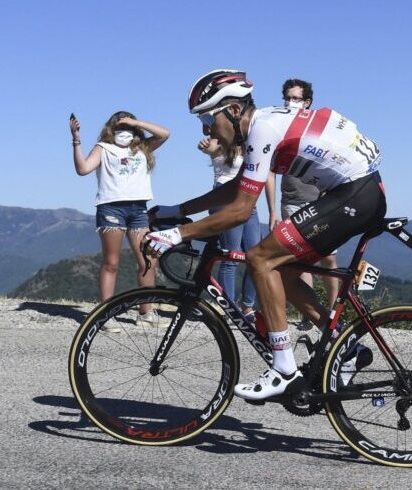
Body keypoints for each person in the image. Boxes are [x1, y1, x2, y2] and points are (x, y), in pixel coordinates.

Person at [146, 69, 385, 400]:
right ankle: (345, 347)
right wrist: (178, 210)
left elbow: (241, 210)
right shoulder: (266, 123)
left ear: (232, 111)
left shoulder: (264, 129)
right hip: (359, 192)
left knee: (260, 258)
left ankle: (284, 369)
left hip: (355, 194)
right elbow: (236, 189)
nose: (206, 130)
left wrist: (177, 234)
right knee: (281, 269)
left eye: (207, 120)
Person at [70, 111, 169, 328]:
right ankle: (105, 314)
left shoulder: (142, 148)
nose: (124, 131)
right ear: (110, 129)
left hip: (138, 209)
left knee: (147, 260)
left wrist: (136, 122)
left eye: (128, 127)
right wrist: (76, 140)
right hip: (111, 208)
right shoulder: (103, 148)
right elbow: (83, 169)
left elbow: (164, 134)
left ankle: (146, 313)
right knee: (111, 263)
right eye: (119, 127)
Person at [277, 79, 340, 329]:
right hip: (291, 200)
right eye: (287, 97)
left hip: (320, 200)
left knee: (329, 260)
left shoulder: (319, 129)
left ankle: (335, 312)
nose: (290, 102)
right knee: (301, 261)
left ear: (307, 102)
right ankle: (309, 314)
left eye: (295, 98)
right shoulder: (280, 127)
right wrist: (272, 208)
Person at [197, 136, 276, 321]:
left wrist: (273, 211)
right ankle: (229, 308)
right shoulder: (222, 142)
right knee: (230, 256)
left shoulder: (254, 146)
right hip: (225, 200)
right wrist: (203, 145)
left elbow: (269, 176)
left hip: (249, 202)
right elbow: (208, 147)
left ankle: (247, 307)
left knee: (255, 255)